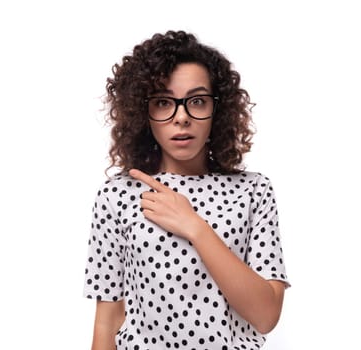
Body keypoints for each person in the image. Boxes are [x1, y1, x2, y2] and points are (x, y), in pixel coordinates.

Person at [83, 30, 290, 350]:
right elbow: (107, 320)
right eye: (164, 102)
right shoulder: (117, 195)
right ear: (143, 112)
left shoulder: (253, 191)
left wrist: (193, 225)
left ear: (217, 109)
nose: (181, 117)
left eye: (196, 101)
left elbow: (265, 316)